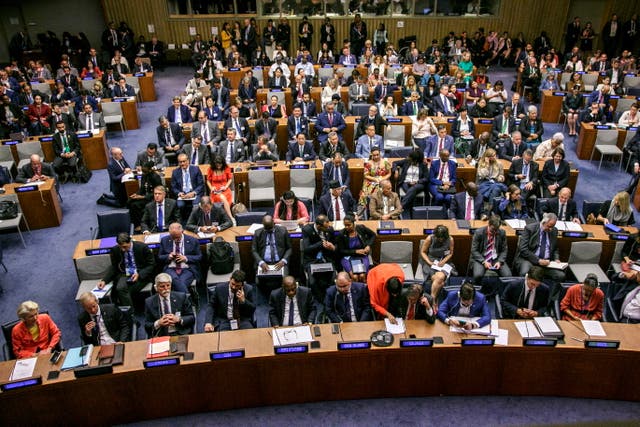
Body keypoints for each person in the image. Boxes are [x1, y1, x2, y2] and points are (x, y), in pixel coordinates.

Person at [97, 232, 156, 306]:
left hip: (141, 274)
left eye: (125, 247)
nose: (123, 250)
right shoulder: (115, 250)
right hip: (124, 274)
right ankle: (129, 312)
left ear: (130, 241)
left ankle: (128, 313)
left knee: (121, 290)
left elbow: (151, 265)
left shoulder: (142, 247)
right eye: (120, 247)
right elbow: (114, 268)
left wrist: (139, 274)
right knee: (121, 289)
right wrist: (104, 281)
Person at [514, 213, 566, 291]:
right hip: (529, 260)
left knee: (560, 275)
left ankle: (550, 299)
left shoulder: (554, 231)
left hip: (546, 263)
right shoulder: (530, 228)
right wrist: (538, 260)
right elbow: (523, 249)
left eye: (553, 226)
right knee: (524, 272)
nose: (551, 229)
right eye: (549, 226)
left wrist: (556, 258)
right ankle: (523, 294)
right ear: (543, 222)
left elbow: (555, 248)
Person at [158, 223, 201, 293]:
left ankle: (187, 302)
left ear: (182, 231)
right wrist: (168, 256)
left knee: (178, 283)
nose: (175, 239)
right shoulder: (164, 240)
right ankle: (189, 301)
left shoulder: (193, 240)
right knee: (176, 281)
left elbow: (199, 257)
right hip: (171, 268)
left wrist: (186, 258)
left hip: (187, 269)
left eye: (177, 237)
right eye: (173, 237)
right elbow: (160, 257)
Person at [470, 216, 512, 287]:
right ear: (488, 225)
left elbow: (504, 250)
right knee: (478, 275)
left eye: (496, 230)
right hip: (481, 258)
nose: (494, 232)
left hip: (496, 258)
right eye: (492, 230)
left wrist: (500, 261)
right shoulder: (479, 232)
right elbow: (474, 250)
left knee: (508, 275)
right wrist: (483, 261)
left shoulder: (502, 233)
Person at [420, 224, 456, 306]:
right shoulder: (430, 238)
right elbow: (423, 252)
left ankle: (432, 299)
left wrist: (444, 261)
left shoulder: (450, 239)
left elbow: (450, 253)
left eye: (442, 238)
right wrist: (429, 262)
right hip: (430, 262)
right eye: (438, 237)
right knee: (440, 282)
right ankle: (435, 301)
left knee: (439, 278)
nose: (440, 239)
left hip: (444, 262)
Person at [337, 214, 375, 282]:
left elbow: (373, 235)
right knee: (354, 277)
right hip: (348, 257)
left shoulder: (361, 228)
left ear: (354, 223)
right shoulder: (341, 234)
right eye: (345, 225)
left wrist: (368, 245)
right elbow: (341, 251)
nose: (347, 227)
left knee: (362, 276)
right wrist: (355, 251)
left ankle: (363, 290)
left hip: (361, 256)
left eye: (349, 225)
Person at [128, 162, 162, 230]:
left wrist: (143, 197)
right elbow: (142, 189)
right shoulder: (144, 175)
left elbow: (158, 192)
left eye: (145, 171)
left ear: (150, 170)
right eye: (143, 171)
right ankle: (134, 222)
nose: (144, 173)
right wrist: (136, 194)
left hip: (152, 198)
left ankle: (140, 224)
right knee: (129, 201)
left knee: (135, 205)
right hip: (143, 196)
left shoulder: (155, 177)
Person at [393, 149, 429, 214]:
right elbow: (394, 163)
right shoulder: (406, 161)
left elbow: (426, 178)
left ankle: (399, 208)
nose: (408, 158)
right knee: (411, 193)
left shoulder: (423, 165)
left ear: (415, 159)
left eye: (410, 157)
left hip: (418, 184)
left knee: (413, 189)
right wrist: (396, 171)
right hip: (406, 182)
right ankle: (412, 211)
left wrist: (417, 182)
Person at [171, 153, 205, 219]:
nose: (182, 164)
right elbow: (173, 187)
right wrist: (179, 193)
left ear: (188, 161)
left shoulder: (195, 169)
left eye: (184, 161)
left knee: (196, 205)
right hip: (182, 195)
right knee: (179, 205)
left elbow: (201, 185)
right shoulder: (175, 172)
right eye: (180, 162)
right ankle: (183, 222)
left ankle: (195, 221)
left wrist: (193, 192)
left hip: (194, 193)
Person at [205, 155, 234, 219]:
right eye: (217, 165)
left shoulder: (226, 167)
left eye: (220, 165)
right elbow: (208, 181)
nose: (218, 167)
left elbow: (230, 179)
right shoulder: (210, 169)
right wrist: (211, 188)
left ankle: (229, 217)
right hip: (215, 190)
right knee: (221, 197)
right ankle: (230, 217)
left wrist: (225, 187)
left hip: (225, 189)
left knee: (223, 197)